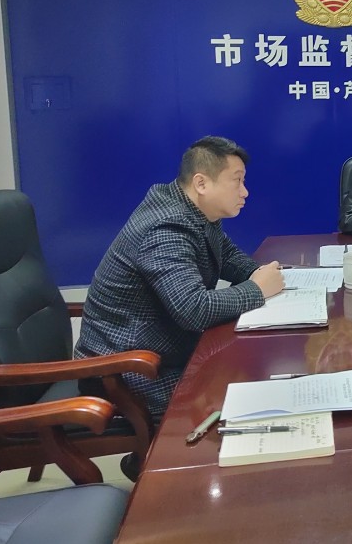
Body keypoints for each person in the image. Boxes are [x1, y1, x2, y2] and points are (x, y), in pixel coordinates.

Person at [75, 136, 285, 418]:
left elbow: (225, 255)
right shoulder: (165, 227)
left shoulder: (192, 210)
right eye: (237, 181)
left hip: (160, 351)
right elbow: (193, 310)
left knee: (249, 372)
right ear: (201, 183)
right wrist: (257, 290)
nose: (245, 192)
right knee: (240, 400)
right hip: (126, 371)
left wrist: (257, 273)